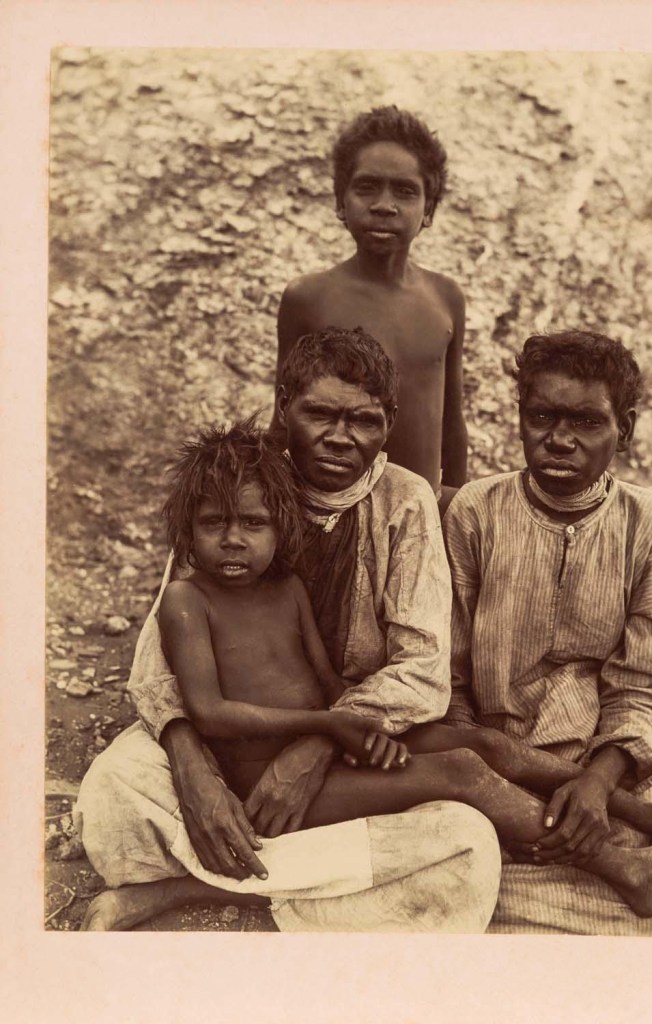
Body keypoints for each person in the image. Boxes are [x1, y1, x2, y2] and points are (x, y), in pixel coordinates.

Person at [145, 414, 652, 922]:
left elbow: (328, 685)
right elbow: (210, 714)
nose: (234, 541)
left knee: (484, 746)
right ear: (187, 531)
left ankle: (641, 812)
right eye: (214, 524)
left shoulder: (287, 589)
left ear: (280, 523)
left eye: (253, 523)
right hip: (263, 785)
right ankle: (625, 869)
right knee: (461, 772)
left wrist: (365, 733)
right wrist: (327, 728)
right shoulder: (186, 600)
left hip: (325, 741)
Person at [74, 327, 501, 932]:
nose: (339, 437)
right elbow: (156, 659)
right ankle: (302, 876)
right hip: (229, 734)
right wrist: (192, 768)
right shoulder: (233, 484)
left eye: (363, 420)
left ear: (389, 423)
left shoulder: (405, 501)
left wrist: (317, 745)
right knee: (114, 789)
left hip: (353, 728)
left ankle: (190, 885)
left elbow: (422, 669)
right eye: (319, 414)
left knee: (464, 839)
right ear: (284, 407)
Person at [433, 330, 652, 935]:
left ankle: (613, 843)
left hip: (604, 744)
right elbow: (452, 672)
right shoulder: (476, 511)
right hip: (500, 744)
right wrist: (490, 767)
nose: (560, 439)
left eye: (587, 422)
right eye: (541, 416)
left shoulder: (649, 522)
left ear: (625, 428)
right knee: (473, 824)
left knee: (648, 790)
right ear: (521, 417)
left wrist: (599, 778)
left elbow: (645, 678)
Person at [273, 106, 467, 508]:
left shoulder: (445, 299)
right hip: (328, 509)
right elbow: (284, 418)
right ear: (340, 202)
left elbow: (452, 424)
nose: (384, 205)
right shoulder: (309, 298)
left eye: (405, 191)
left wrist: (458, 511)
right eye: (367, 187)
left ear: (429, 210)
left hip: (418, 513)